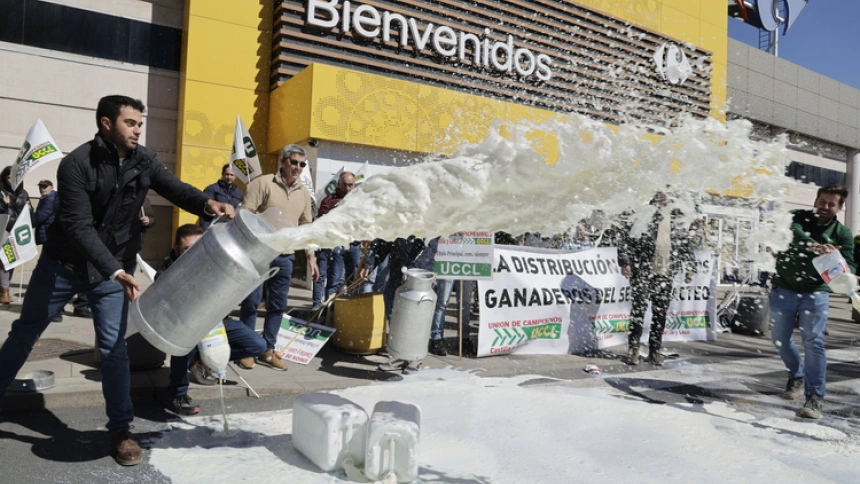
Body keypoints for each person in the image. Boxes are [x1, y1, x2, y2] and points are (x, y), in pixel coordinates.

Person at [0, 95, 235, 466]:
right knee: (25, 332)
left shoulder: (144, 160)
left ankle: (121, 431)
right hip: (63, 266)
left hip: (112, 273)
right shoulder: (76, 164)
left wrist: (207, 205)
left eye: (140, 123)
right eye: (130, 123)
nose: (138, 129)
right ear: (106, 124)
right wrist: (115, 269)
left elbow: (174, 188)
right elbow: (78, 226)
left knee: (113, 350)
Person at [160, 224, 266, 415]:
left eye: (198, 248)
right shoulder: (167, 270)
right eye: (187, 249)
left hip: (218, 323)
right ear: (175, 248)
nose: (194, 254)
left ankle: (201, 360)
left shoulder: (215, 261)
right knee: (184, 348)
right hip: (187, 327)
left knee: (258, 345)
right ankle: (176, 393)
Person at [769, 185, 854, 420]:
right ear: (815, 200)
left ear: (840, 207)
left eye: (831, 204)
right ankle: (796, 374)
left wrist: (843, 267)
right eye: (821, 201)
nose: (824, 207)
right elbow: (794, 233)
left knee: (813, 341)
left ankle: (814, 397)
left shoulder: (842, 233)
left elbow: (849, 264)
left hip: (816, 292)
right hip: (784, 287)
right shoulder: (796, 216)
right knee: (779, 338)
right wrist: (814, 246)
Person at [238, 144, 319, 371]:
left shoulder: (304, 193)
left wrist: (311, 257)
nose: (297, 167)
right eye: (293, 162)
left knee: (277, 306)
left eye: (302, 164)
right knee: (252, 302)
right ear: (282, 161)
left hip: (285, 257)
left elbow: (306, 225)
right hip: (258, 254)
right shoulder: (263, 183)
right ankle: (246, 349)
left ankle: (268, 349)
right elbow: (244, 215)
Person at [619, 192, 695, 366]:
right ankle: (634, 350)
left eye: (667, 198)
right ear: (654, 199)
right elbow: (624, 238)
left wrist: (690, 267)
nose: (664, 200)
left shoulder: (676, 218)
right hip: (643, 271)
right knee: (638, 312)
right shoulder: (643, 214)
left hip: (666, 273)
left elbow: (685, 243)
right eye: (661, 197)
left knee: (660, 314)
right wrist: (625, 261)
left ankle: (655, 350)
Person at [313, 171, 359, 308]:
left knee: (353, 278)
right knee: (333, 278)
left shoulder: (358, 199)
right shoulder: (328, 200)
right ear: (339, 184)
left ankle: (350, 307)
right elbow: (322, 222)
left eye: (351, 185)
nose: (348, 188)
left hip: (354, 244)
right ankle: (327, 307)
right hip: (335, 245)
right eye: (345, 185)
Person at [0, 166, 32, 304]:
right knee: (3, 260)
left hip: (16, 230)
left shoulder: (23, 193)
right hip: (3, 228)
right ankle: (4, 291)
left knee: (11, 260)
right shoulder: (0, 192)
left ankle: (4, 289)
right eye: (8, 177)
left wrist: (28, 208)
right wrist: (3, 204)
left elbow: (30, 212)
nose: (11, 180)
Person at [33, 179, 62, 322]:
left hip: (51, 236)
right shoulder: (47, 197)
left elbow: (41, 216)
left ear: (51, 187)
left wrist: (29, 221)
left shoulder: (50, 198)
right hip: (51, 236)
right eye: (41, 187)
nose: (42, 189)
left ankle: (55, 310)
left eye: (45, 186)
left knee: (50, 271)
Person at [200, 164, 243, 230]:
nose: (229, 177)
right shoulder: (212, 189)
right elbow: (205, 211)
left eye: (232, 175)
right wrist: (205, 230)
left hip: (230, 229)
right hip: (213, 228)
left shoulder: (239, 193)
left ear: (235, 176)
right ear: (222, 174)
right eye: (227, 174)